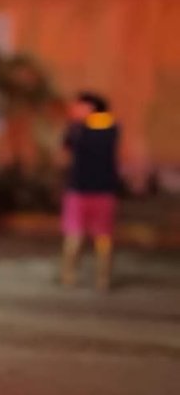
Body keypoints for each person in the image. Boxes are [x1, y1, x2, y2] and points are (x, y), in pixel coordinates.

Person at [60, 92, 120, 291]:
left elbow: (66, 148)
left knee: (84, 235)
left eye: (79, 106)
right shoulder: (110, 126)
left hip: (85, 189)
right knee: (92, 236)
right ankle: (98, 279)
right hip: (98, 189)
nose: (74, 110)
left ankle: (73, 276)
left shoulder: (81, 128)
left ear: (90, 107)